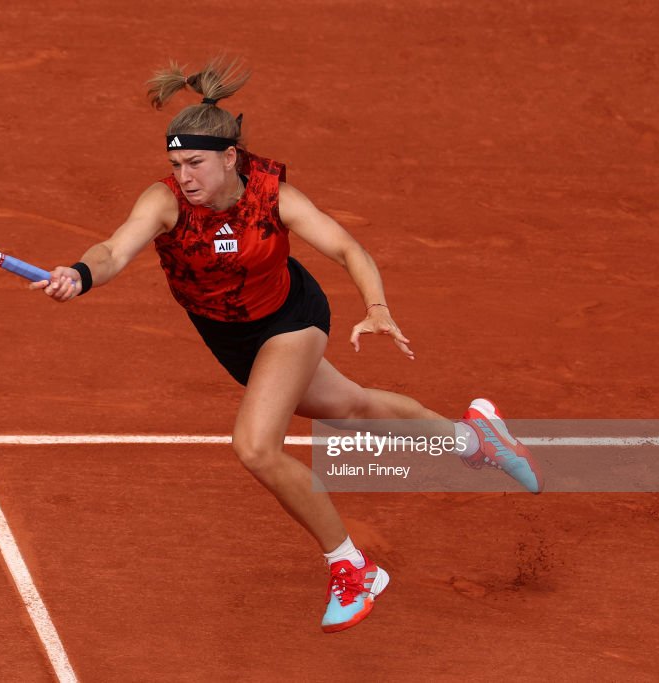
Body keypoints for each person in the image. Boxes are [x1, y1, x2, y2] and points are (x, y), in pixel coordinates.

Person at [30, 58, 543, 633]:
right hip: (230, 339)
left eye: (196, 162)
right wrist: (80, 273)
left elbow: (348, 248)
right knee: (354, 408)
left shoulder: (274, 197)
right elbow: (112, 249)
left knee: (255, 447)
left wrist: (376, 310)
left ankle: (353, 567)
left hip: (291, 319)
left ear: (230, 157)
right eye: (176, 164)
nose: (185, 175)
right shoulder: (165, 202)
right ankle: (476, 438)